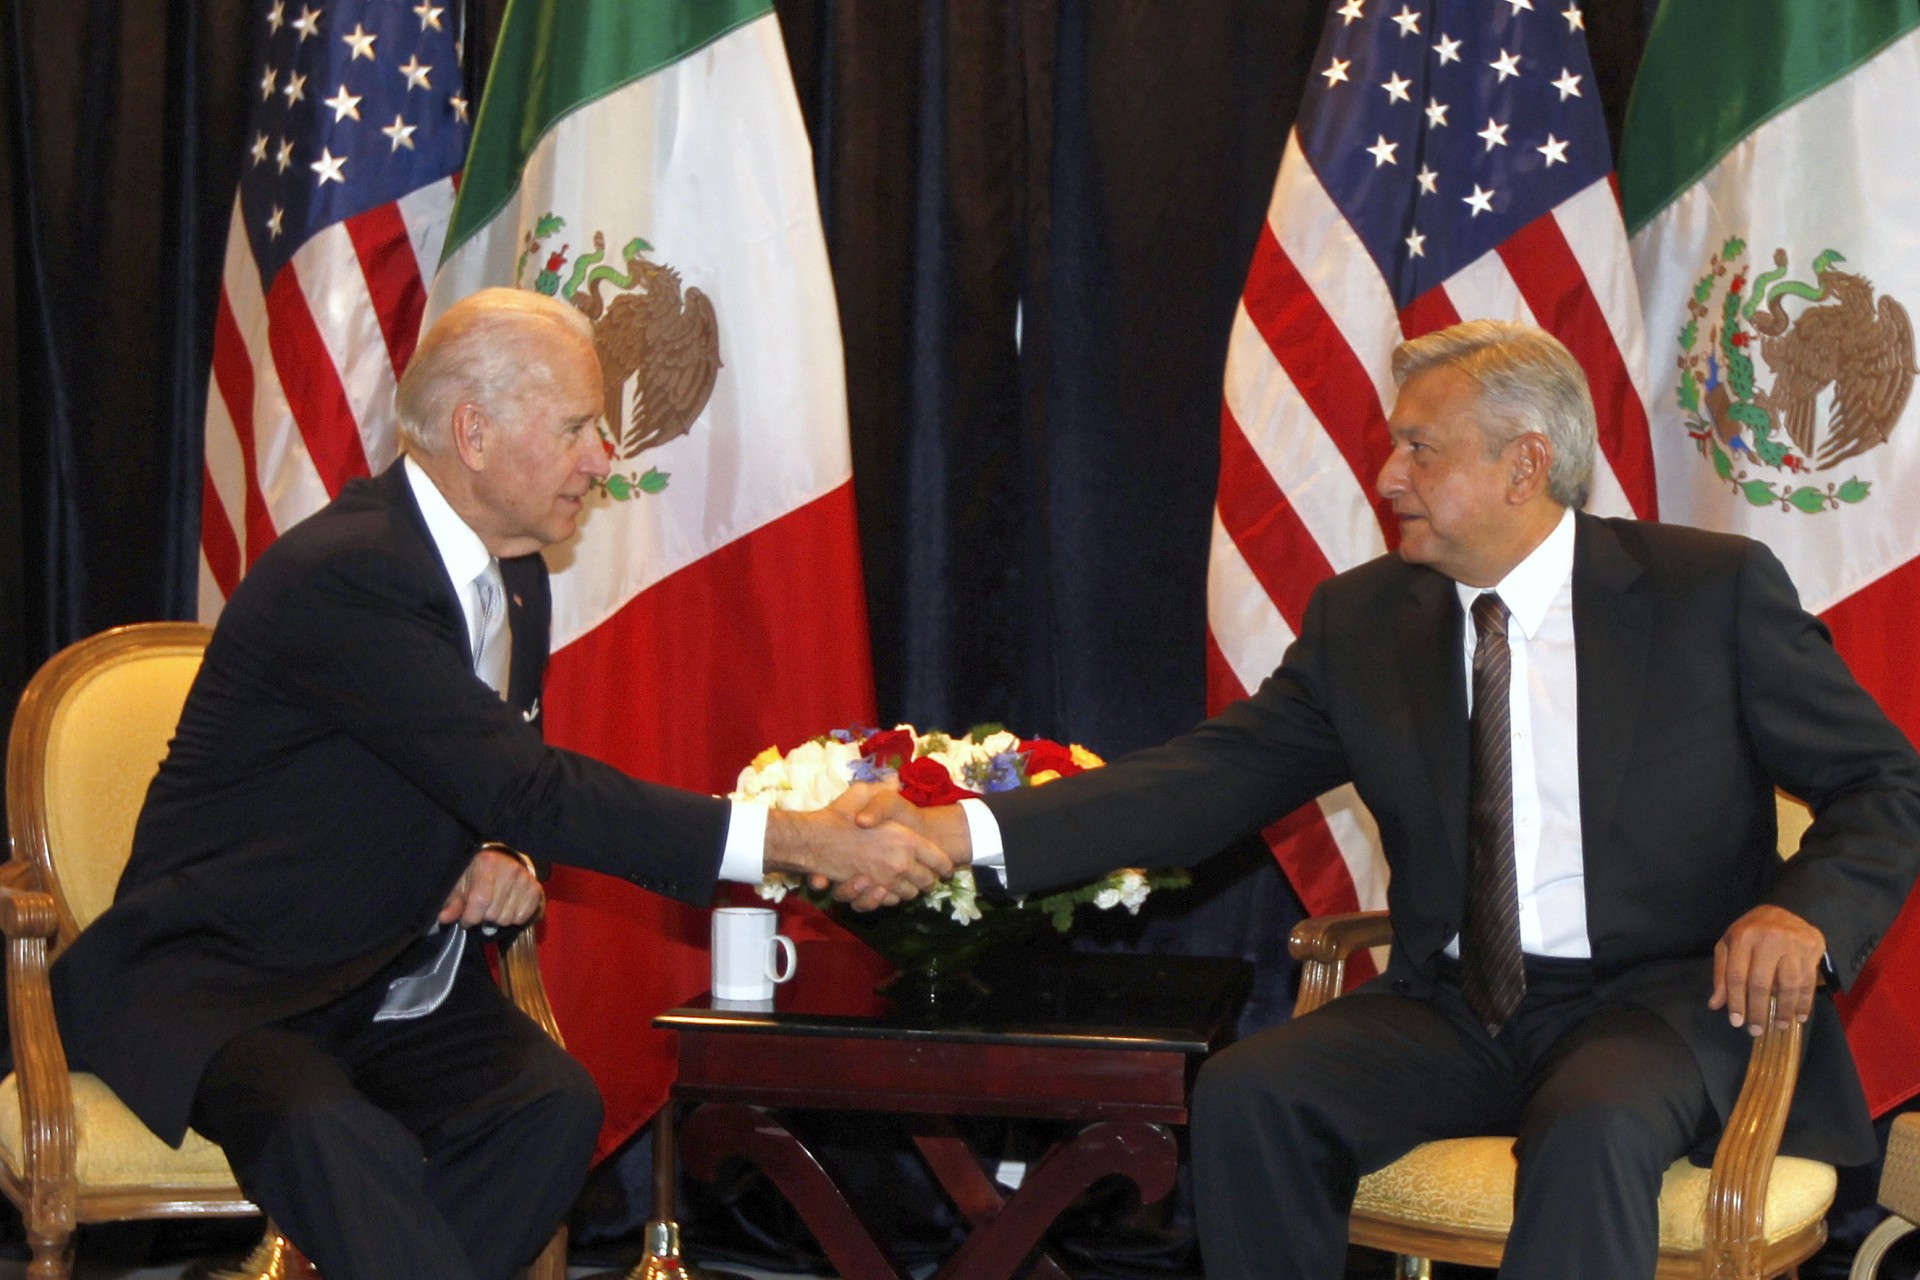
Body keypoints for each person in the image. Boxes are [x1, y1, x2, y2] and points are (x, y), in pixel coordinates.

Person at [857, 320, 1920, 1279]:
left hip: (1664, 996)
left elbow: (1884, 779)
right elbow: (1203, 779)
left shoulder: (1708, 591)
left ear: (1526, 464)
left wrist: (1805, 909)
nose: (1386, 473)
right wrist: (965, 831)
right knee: (1251, 1093)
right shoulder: (1366, 619)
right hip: (1457, 1002)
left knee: (1591, 1124)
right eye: (1392, 444)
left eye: (1421, 447)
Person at [47, 288, 948, 1280]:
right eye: (575, 426)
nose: (604, 455)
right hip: (230, 980)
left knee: (550, 1105)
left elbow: (472, 771)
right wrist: (796, 839)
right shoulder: (350, 574)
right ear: (473, 432)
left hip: (388, 971)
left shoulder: (514, 568)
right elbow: (529, 781)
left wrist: (504, 855)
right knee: (333, 1136)